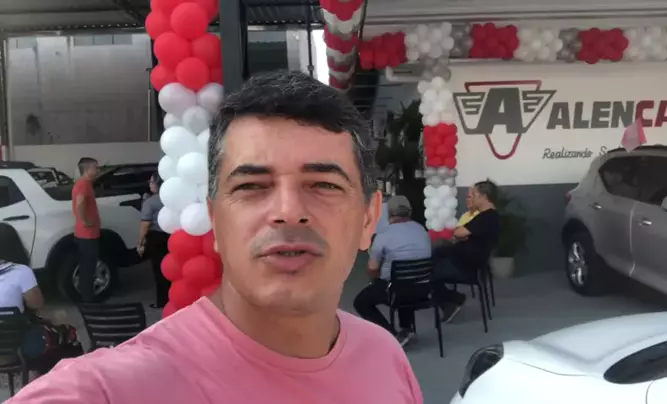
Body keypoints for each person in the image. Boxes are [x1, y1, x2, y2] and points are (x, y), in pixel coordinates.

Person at [8, 71, 423, 404]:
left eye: (323, 184)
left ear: (369, 218)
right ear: (214, 220)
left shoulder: (384, 355)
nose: (287, 210)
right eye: (251, 186)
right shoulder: (121, 388)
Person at [0, 223, 84, 375]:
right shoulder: (21, 272)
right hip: (18, 349)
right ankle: (60, 381)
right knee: (66, 334)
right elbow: (37, 304)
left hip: (7, 345)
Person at [353, 195, 431, 346]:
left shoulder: (383, 236)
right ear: (409, 211)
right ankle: (407, 328)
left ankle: (391, 335)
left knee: (361, 301)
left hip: (397, 292)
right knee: (405, 279)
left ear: (388, 213)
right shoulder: (421, 229)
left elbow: (372, 269)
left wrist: (375, 280)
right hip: (424, 289)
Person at [433, 180, 500, 323]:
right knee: (437, 252)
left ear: (484, 196)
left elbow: (459, 232)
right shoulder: (486, 217)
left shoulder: (487, 217)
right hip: (464, 261)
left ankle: (453, 300)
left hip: (465, 267)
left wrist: (460, 235)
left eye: (474, 195)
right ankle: (450, 301)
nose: (472, 198)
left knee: (426, 271)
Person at [137, 172, 170, 309]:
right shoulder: (170, 198)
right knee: (171, 267)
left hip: (156, 237)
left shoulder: (150, 202)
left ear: (158, 184)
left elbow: (145, 224)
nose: (149, 184)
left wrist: (140, 242)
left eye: (151, 182)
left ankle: (162, 301)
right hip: (171, 236)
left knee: (159, 269)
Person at [72, 157, 101, 303]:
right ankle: (89, 301)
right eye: (95, 168)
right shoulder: (83, 184)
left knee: (87, 268)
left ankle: (88, 299)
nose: (98, 171)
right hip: (87, 235)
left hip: (86, 234)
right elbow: (80, 202)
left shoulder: (85, 184)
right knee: (88, 269)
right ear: (87, 169)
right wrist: (85, 220)